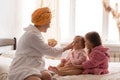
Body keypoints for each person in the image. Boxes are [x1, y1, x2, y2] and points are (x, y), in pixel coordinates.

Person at [8, 7, 73, 80]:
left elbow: (39, 50)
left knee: (47, 76)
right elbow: (50, 52)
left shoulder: (37, 34)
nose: (49, 26)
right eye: (49, 23)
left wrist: (48, 46)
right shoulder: (32, 35)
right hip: (23, 66)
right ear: (43, 22)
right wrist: (68, 47)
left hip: (34, 65)